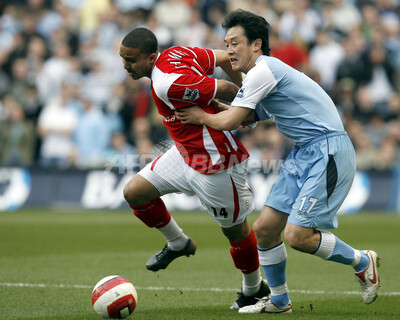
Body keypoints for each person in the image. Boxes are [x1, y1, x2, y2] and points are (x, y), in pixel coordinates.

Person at [175, 9, 380, 314]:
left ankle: (363, 261)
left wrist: (201, 115)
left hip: (328, 151)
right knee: (266, 228)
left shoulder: (263, 70)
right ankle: (280, 302)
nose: (228, 50)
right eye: (226, 43)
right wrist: (219, 107)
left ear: (256, 44)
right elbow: (250, 117)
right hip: (304, 153)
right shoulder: (263, 74)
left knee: (297, 236)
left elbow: (233, 121)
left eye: (235, 43)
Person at [119, 27, 270, 309]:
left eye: (130, 59)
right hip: (184, 153)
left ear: (151, 58)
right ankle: (178, 243)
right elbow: (226, 58)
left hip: (214, 161)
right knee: (135, 193)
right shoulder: (177, 53)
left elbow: (224, 86)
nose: (125, 65)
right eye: (122, 58)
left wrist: (245, 108)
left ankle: (254, 288)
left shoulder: (168, 83)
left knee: (235, 232)